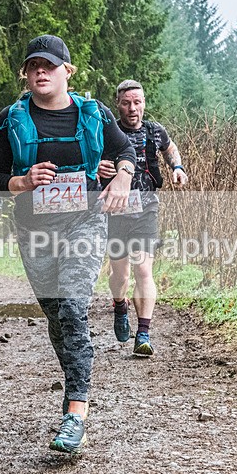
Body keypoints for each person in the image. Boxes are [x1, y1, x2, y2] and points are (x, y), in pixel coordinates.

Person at [0, 35, 135, 455]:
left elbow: (124, 151)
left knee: (72, 305)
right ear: (25, 73)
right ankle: (74, 381)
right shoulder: (9, 119)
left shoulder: (92, 112)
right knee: (56, 316)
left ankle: (76, 411)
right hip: (34, 230)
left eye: (49, 65)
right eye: (33, 66)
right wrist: (22, 181)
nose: (40, 72)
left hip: (85, 222)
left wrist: (121, 178)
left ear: (68, 71)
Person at [100, 79, 188, 356]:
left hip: (147, 207)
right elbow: (90, 161)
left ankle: (144, 334)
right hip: (115, 210)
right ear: (119, 104)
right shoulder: (108, 132)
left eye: (137, 102)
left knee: (143, 269)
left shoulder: (154, 131)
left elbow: (170, 147)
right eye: (126, 103)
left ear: (144, 103)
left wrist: (177, 167)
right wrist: (99, 169)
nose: (132, 108)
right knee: (120, 274)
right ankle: (119, 306)